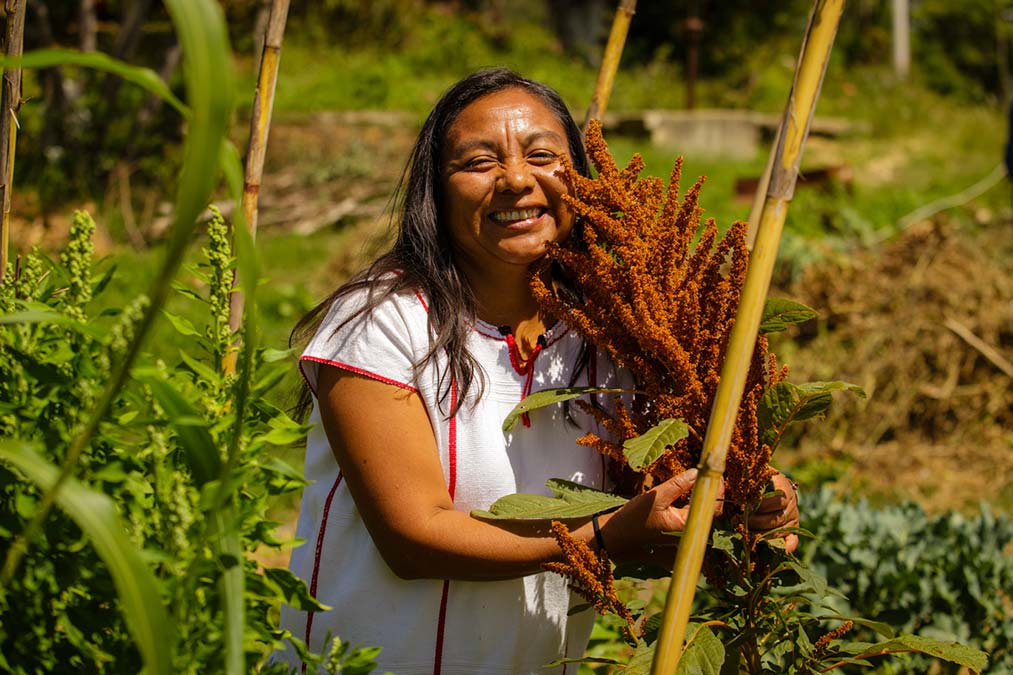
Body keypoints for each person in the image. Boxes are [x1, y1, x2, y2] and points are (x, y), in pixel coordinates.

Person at [277, 68, 799, 675]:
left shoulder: (609, 328)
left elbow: (653, 499)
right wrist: (604, 538)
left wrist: (745, 498)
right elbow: (412, 539)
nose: (517, 180)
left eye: (543, 155)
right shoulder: (384, 321)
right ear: (436, 191)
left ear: (580, 179)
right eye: (478, 162)